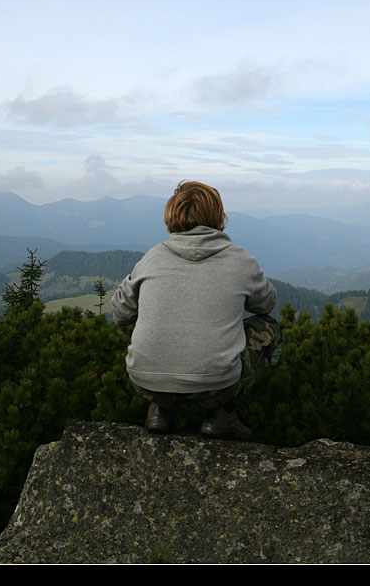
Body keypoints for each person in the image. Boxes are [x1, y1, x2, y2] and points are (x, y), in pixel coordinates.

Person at [111, 180, 279, 441]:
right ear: (218, 216)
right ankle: (222, 414)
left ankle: (161, 410)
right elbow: (266, 305)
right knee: (269, 329)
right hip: (217, 386)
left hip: (146, 383)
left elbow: (121, 315)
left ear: (171, 217)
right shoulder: (240, 259)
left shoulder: (151, 258)